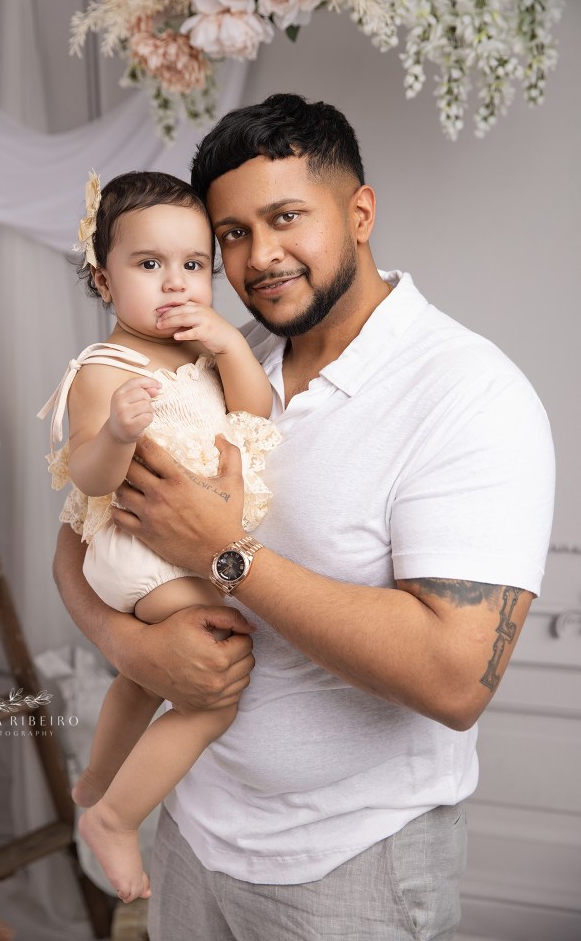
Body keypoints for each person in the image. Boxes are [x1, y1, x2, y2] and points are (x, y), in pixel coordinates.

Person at [53, 95, 555, 940]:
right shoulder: (216, 360)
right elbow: (80, 535)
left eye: (286, 217)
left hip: (350, 865)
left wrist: (222, 551)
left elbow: (453, 678)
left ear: (358, 212)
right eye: (233, 235)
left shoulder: (467, 394)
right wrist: (130, 645)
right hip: (191, 831)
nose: (260, 256)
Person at [39, 170, 279, 902]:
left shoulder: (206, 355)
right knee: (212, 685)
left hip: (173, 543)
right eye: (148, 265)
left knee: (144, 675)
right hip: (136, 551)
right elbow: (87, 474)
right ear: (103, 279)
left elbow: (254, 415)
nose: (174, 284)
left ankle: (96, 778)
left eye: (193, 265)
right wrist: (116, 430)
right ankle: (114, 818)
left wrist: (231, 349)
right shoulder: (104, 369)